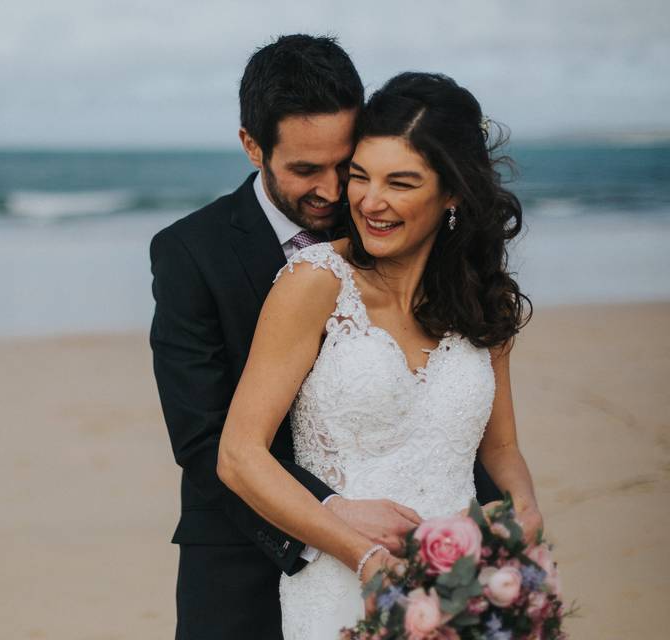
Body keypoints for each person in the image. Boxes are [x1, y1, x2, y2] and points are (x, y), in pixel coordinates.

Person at [150, 36, 502, 639]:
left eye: (347, 163)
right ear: (251, 146)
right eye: (305, 170)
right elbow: (204, 439)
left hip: (414, 556)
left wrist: (492, 534)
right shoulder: (191, 252)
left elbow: (441, 397)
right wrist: (332, 513)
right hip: (244, 558)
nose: (338, 191)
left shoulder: (386, 216)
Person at [216, 71, 544, 639]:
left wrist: (523, 505)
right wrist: (364, 559)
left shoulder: (482, 299)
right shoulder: (313, 283)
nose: (371, 201)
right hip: (342, 583)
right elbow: (239, 456)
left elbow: (503, 446)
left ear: (453, 192)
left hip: (461, 584)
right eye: (360, 176)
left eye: (401, 182)